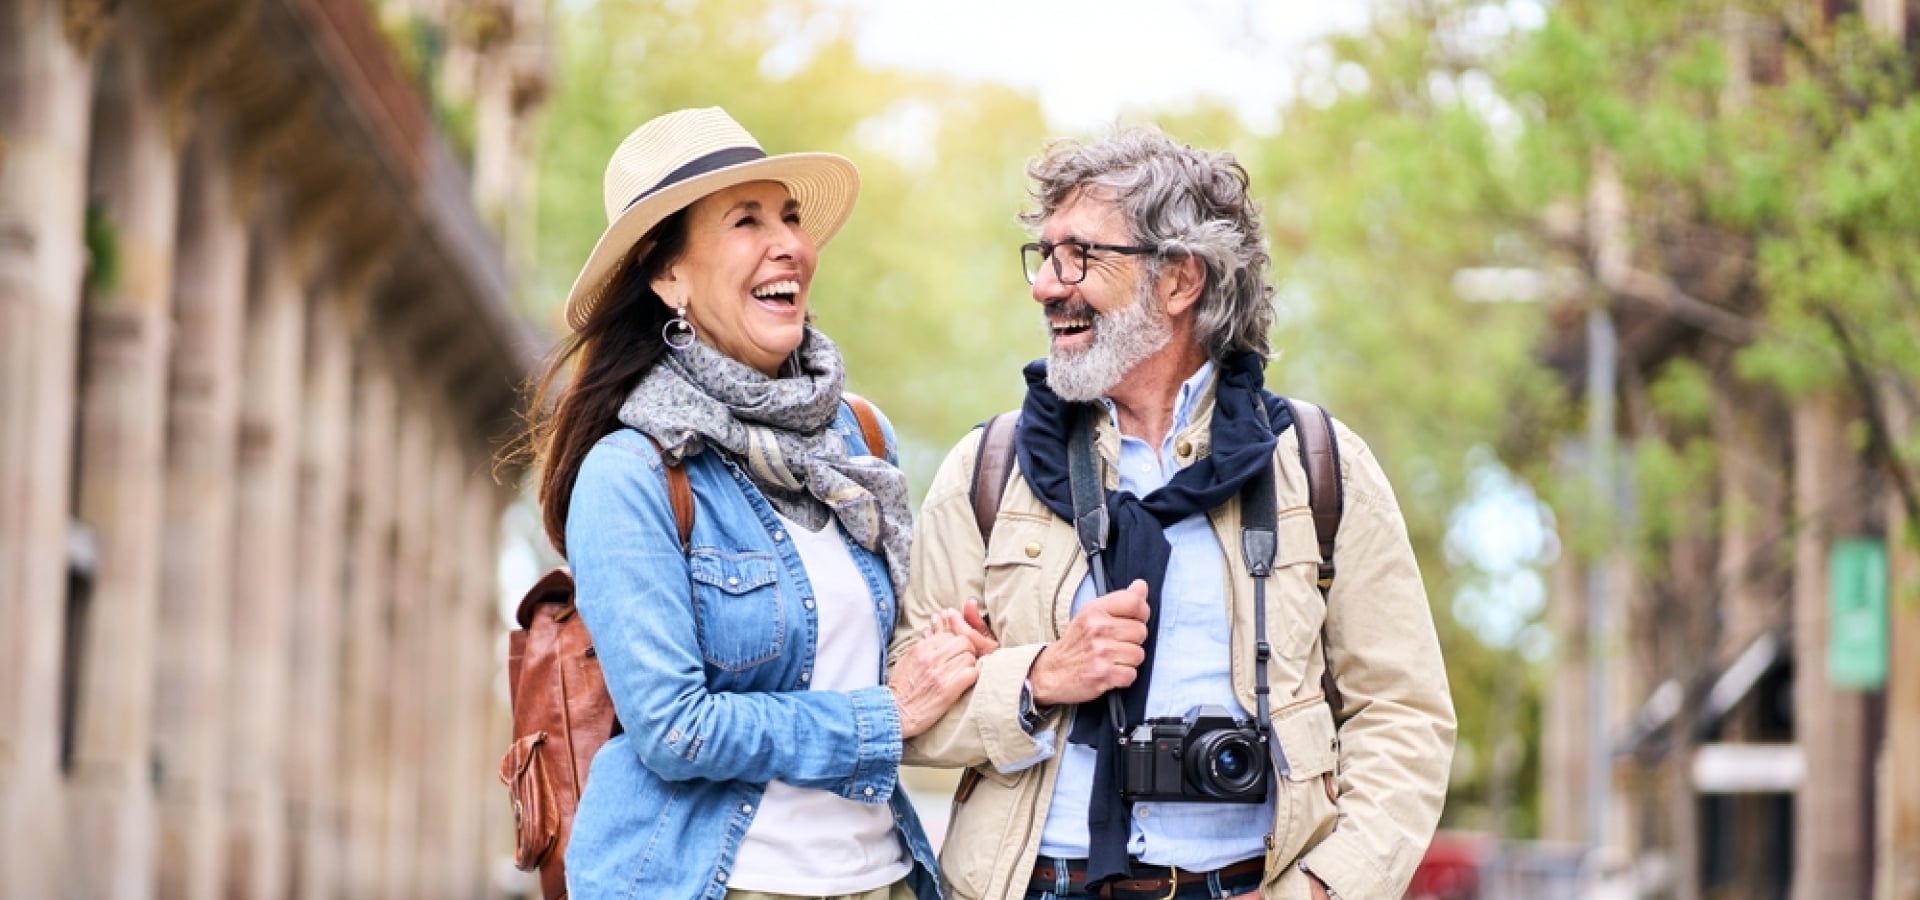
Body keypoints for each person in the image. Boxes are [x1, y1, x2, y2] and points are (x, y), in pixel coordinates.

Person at [892, 128, 1456, 900]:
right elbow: (905, 711)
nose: (1046, 286)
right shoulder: (990, 469)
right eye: (1045, 255)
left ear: (1180, 280)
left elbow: (1404, 716)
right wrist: (1040, 677)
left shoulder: (1321, 466)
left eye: (1080, 256)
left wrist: (1326, 889)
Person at [526, 107, 978, 900]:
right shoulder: (630, 474)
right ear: (668, 277)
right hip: (712, 882)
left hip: (884, 876)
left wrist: (949, 651)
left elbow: (872, 659)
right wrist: (884, 715)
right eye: (746, 220)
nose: (789, 244)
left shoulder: (860, 438)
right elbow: (675, 728)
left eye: (790, 216)